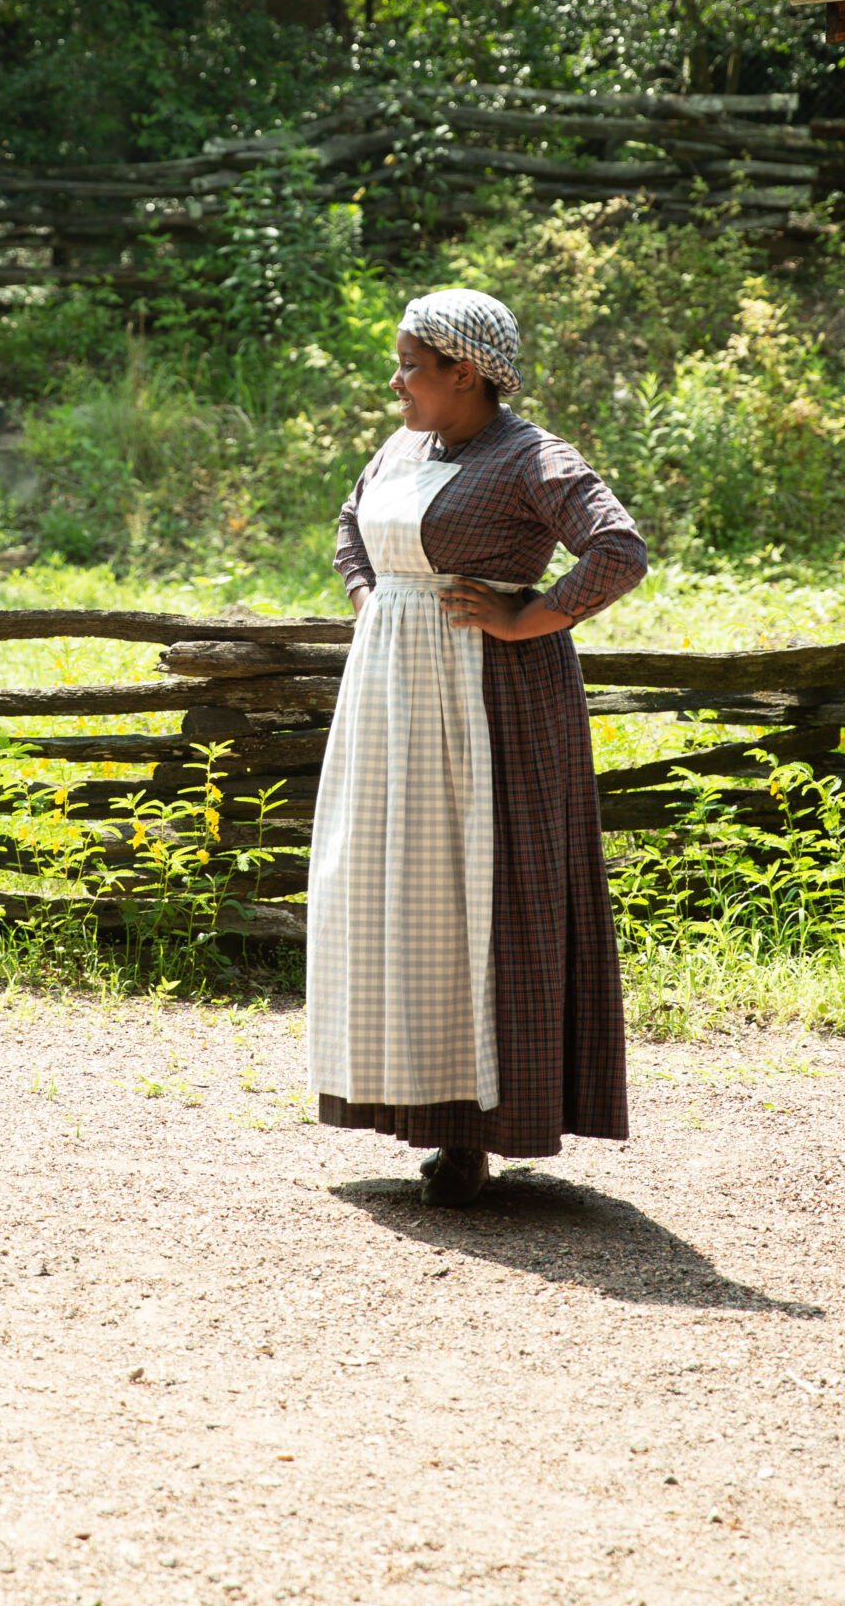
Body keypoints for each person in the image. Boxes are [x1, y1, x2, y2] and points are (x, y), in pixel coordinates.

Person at [307, 286, 647, 1207]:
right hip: (391, 701)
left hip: (489, 706)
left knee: (478, 894)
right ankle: (417, 1107)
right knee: (400, 892)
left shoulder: (531, 455)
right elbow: (350, 524)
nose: (396, 382)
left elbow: (618, 550)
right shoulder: (402, 445)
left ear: (465, 373)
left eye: (411, 367)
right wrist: (371, 601)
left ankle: (476, 1134)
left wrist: (527, 616)